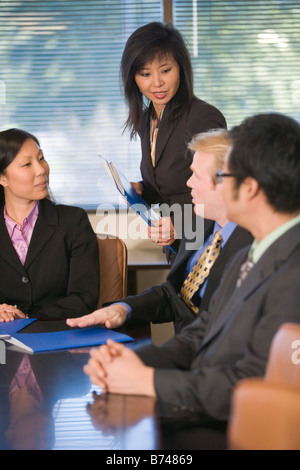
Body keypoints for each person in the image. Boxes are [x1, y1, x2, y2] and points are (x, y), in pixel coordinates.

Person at [83, 113, 300, 421]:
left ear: (249, 187)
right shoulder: (250, 254)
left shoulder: (293, 269)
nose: (190, 186)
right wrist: (131, 360)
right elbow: (202, 331)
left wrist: (147, 381)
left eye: (225, 176)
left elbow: (254, 383)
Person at [67, 129, 252, 331]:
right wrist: (123, 309)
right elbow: (175, 296)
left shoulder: (256, 248)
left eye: (197, 176)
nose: (189, 183)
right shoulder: (202, 224)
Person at [121, 22, 226, 260]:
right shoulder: (147, 119)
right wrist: (141, 191)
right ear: (133, 78)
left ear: (181, 68)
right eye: (145, 74)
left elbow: (222, 192)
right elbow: (167, 185)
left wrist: (179, 225)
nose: (156, 82)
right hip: (177, 249)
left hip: (206, 248)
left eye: (165, 70)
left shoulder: (203, 117)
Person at [0, 128, 100, 321]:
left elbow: (83, 299)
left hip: (58, 336)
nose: (41, 170)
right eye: (27, 164)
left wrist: (27, 318)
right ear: (2, 178)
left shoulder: (74, 221)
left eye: (41, 158)